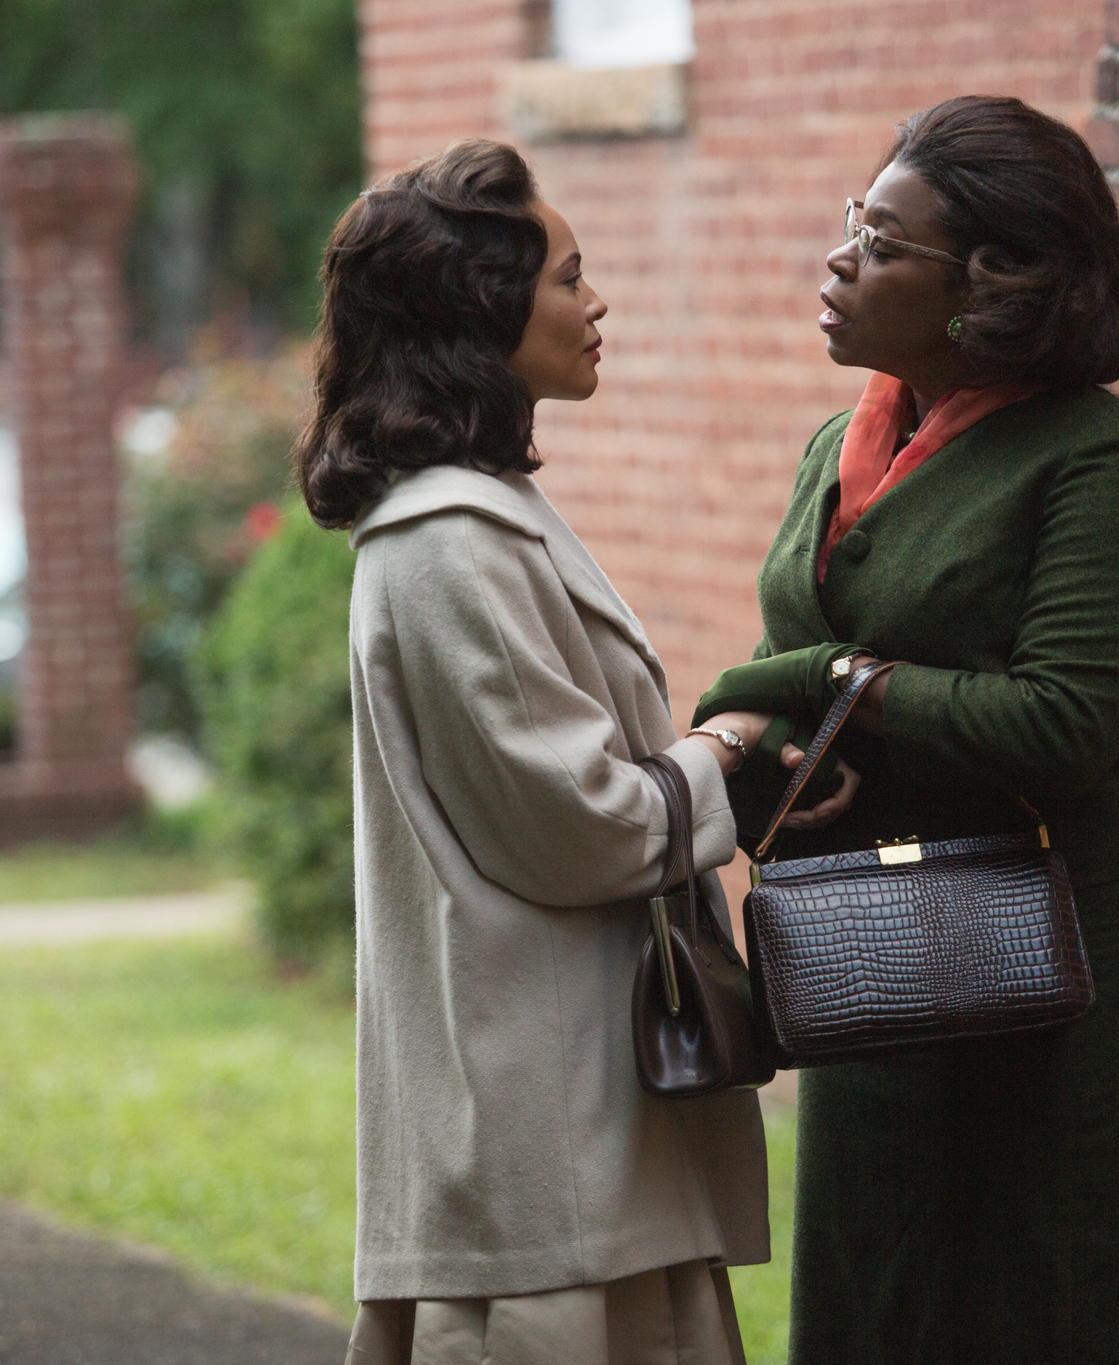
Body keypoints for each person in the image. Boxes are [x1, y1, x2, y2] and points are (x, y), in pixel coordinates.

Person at [295, 139, 774, 1365]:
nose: (593, 301)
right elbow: (582, 823)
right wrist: (721, 747)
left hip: (568, 1115)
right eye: (568, 278)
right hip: (542, 1137)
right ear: (480, 312)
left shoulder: (472, 517)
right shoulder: (449, 541)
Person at [744, 96, 1119, 1362]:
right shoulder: (843, 440)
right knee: (869, 1273)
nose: (841, 259)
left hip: (1054, 935)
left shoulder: (1093, 464)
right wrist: (787, 740)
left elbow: (1060, 723)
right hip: (872, 930)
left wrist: (841, 680)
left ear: (991, 289)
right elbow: (801, 668)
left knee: (1046, 1288)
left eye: (884, 245)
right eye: (853, 224)